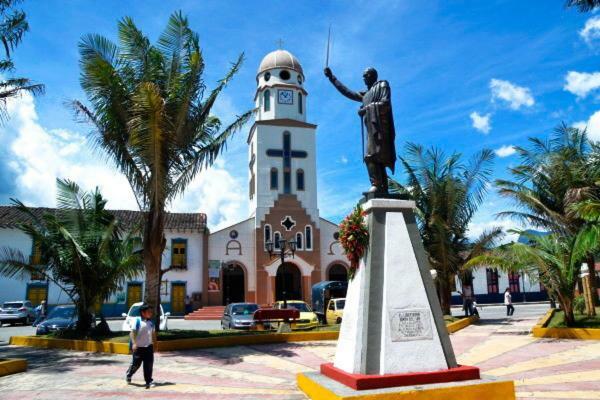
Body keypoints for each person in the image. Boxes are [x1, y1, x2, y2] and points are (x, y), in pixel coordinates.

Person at [126, 304, 156, 388]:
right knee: (136, 364)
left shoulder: (151, 322)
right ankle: (129, 373)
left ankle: (149, 381)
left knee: (149, 365)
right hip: (139, 348)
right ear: (143, 312)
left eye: (151, 312)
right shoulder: (137, 321)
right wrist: (134, 343)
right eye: (148, 312)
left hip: (149, 347)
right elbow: (132, 333)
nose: (151, 313)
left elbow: (153, 335)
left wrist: (155, 345)